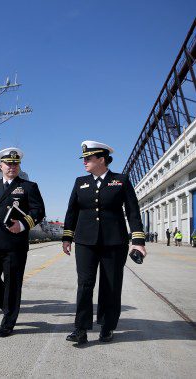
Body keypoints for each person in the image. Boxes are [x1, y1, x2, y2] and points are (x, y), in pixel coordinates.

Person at [62, 141, 147, 344]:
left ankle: (107, 326)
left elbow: (133, 212)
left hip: (114, 242)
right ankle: (80, 328)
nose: (84, 161)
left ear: (101, 159)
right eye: (83, 158)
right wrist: (67, 237)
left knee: (111, 285)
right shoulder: (80, 182)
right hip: (85, 242)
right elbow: (72, 211)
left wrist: (138, 240)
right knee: (84, 284)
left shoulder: (121, 180)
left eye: (88, 158)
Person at [0, 148, 45, 337]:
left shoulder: (29, 186)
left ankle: (8, 320)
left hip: (15, 243)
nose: (12, 167)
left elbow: (38, 211)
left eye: (16, 163)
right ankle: (7, 306)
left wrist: (22, 225)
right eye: (9, 163)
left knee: (12, 283)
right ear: (1, 166)